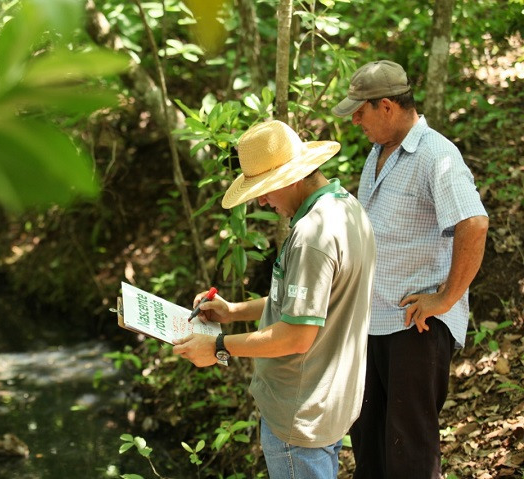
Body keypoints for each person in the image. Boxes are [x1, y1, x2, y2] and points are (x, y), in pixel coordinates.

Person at [172, 120, 376, 479]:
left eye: (265, 190)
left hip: (299, 415)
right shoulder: (347, 209)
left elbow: (296, 335)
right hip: (326, 405)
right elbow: (307, 307)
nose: (262, 200)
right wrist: (233, 311)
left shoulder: (312, 235)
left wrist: (218, 346)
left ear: (293, 176)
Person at [331, 60, 489, 479]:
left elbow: (473, 223)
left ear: (386, 106)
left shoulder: (436, 154)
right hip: (374, 322)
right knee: (370, 447)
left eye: (360, 112)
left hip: (415, 326)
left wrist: (446, 298)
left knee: (410, 454)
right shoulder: (378, 153)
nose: (355, 121)